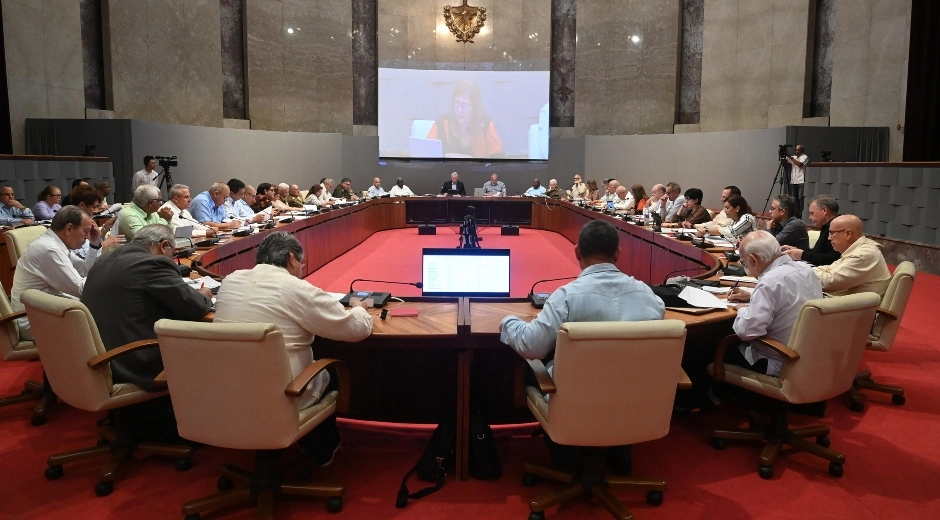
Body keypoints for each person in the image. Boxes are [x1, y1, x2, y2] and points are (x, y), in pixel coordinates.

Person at [500, 220, 664, 475]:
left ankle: (565, 461)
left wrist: (508, 320)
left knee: (531, 369)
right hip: (635, 397)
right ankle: (620, 454)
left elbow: (531, 346)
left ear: (577, 252)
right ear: (618, 253)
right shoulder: (648, 296)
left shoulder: (566, 297)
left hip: (575, 400)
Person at [214, 232, 373, 465]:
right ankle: (320, 450)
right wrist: (359, 308)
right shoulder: (297, 288)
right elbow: (356, 330)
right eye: (302, 263)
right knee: (331, 371)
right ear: (291, 258)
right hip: (281, 398)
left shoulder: (229, 281)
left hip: (227, 393)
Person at [81, 224, 213, 391]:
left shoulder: (103, 260)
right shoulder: (152, 263)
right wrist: (204, 295)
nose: (172, 258)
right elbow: (196, 307)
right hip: (136, 363)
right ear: (164, 245)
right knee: (215, 348)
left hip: (101, 358)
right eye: (173, 252)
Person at [724, 231, 823, 378]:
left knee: (711, 346)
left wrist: (741, 310)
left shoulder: (769, 282)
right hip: (811, 356)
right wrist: (752, 297)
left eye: (744, 264)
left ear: (753, 260)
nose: (747, 270)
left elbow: (747, 332)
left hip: (781, 360)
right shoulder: (806, 269)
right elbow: (790, 299)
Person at [10, 206, 104, 339]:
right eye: (86, 231)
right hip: (33, 321)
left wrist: (95, 244)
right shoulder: (49, 249)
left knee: (102, 307)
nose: (88, 237)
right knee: (106, 311)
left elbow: (85, 271)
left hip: (46, 310)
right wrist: (110, 279)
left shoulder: (56, 244)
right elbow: (81, 289)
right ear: (69, 229)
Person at [812, 214, 891, 296]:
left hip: (851, 306)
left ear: (847, 234)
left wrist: (804, 273)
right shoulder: (858, 248)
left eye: (832, 233)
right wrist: (806, 271)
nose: (829, 238)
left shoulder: (862, 255)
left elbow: (827, 283)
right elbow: (829, 268)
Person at [426, 79, 504, 158]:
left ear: (475, 108)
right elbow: (425, 152)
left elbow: (499, 157)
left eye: (464, 105)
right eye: (456, 103)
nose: (459, 110)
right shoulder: (441, 123)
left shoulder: (484, 124)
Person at [781, 194, 841, 266]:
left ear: (825, 210)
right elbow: (819, 253)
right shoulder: (826, 227)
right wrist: (798, 251)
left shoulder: (839, 228)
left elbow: (833, 258)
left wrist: (802, 254)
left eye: (812, 213)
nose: (810, 218)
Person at [786, 145, 807, 218]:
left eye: (798, 150)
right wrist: (781, 152)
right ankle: (795, 213)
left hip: (801, 180)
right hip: (794, 181)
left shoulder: (804, 157)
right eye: (796, 150)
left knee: (800, 198)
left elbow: (799, 164)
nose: (797, 151)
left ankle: (801, 213)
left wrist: (791, 157)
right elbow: (785, 160)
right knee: (794, 198)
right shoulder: (794, 157)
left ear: (802, 151)